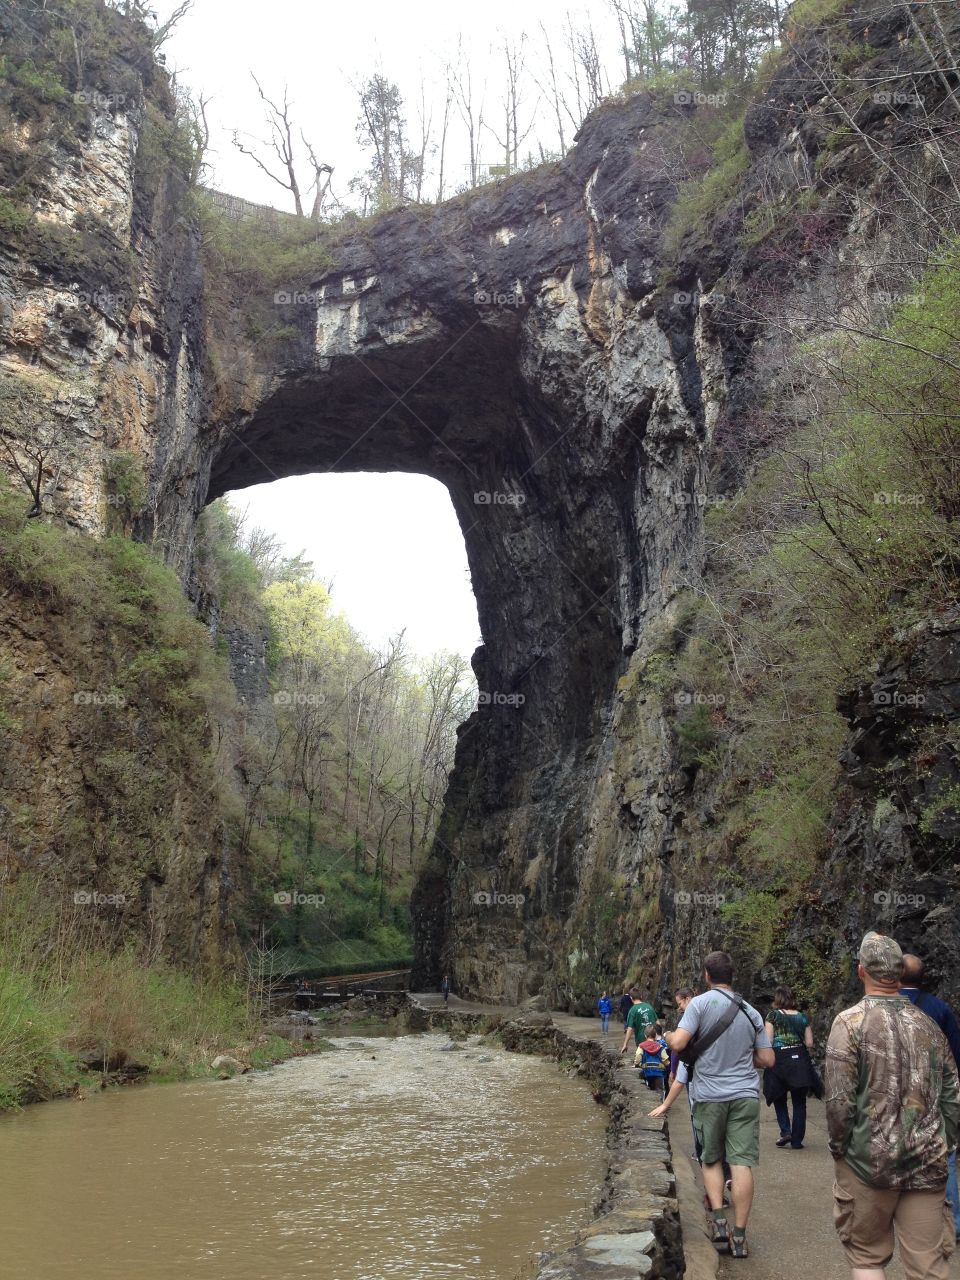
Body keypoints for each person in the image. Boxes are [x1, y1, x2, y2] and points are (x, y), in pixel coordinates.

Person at [826, 931, 960, 1280]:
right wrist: (946, 1145)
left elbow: (839, 1101)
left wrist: (840, 1148)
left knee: (867, 1259)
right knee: (929, 1265)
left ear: (860, 971)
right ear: (900, 975)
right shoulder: (930, 1025)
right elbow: (952, 1096)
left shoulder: (849, 1023)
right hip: (927, 1164)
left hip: (867, 1162)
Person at [666, 950, 773, 1257]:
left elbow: (680, 1043)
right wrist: (741, 1056)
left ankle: (720, 1226)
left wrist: (671, 1035)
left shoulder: (698, 1004)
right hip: (745, 1097)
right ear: (732, 976)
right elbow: (767, 1059)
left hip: (709, 1097)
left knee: (711, 1160)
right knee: (741, 1163)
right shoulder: (751, 1011)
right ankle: (740, 1237)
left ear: (707, 976)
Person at [900, 953, 960, 1236]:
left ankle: (904, 1219)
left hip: (897, 1093)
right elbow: (956, 1056)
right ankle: (954, 1224)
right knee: (943, 1155)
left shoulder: (886, 1008)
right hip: (934, 1093)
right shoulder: (940, 1008)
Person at [762, 985, 819, 1150]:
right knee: (799, 1102)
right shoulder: (802, 1017)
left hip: (780, 1059)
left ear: (778, 999)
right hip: (800, 1060)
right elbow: (809, 1043)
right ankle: (796, 1141)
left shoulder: (773, 1016)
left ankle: (786, 1131)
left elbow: (769, 1040)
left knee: (779, 1097)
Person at [619, 991, 659, 1058]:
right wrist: (659, 1037)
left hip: (641, 1040)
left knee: (643, 1058)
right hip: (654, 1037)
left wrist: (625, 1044)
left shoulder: (632, 1010)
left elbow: (630, 1028)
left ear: (631, 998)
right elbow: (657, 1022)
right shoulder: (649, 1006)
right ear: (641, 997)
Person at [636, 1022, 670, 1099]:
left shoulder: (641, 1046)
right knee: (660, 1090)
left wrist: (638, 1064)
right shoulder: (660, 1046)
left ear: (645, 1035)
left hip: (647, 1071)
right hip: (659, 1073)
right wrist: (667, 1064)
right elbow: (665, 1059)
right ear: (655, 1036)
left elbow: (638, 1056)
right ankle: (661, 1105)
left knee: (649, 1089)